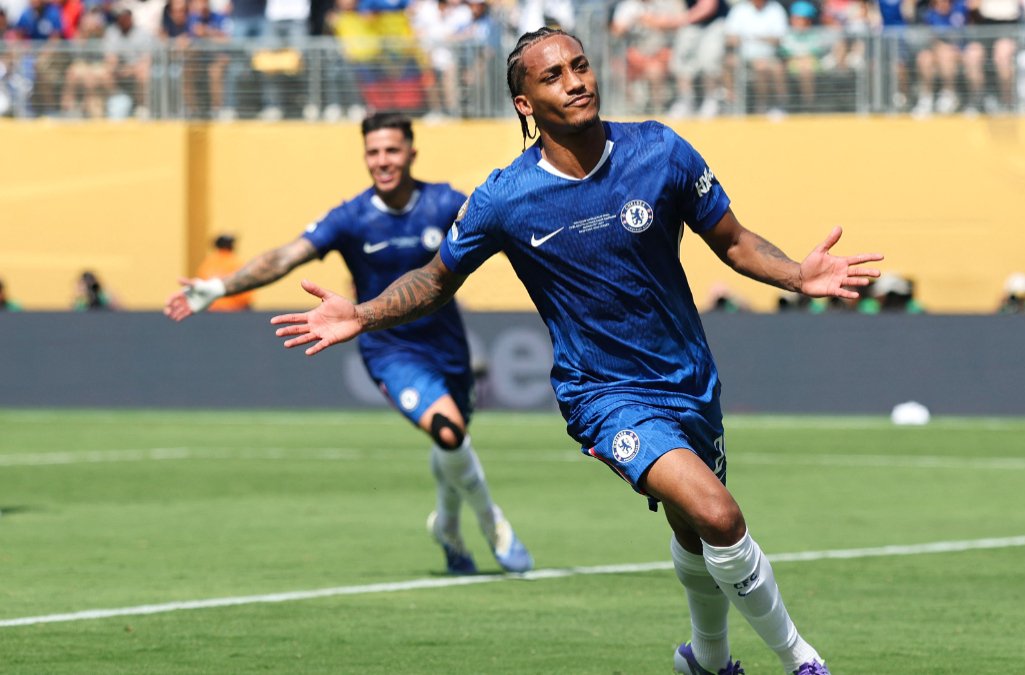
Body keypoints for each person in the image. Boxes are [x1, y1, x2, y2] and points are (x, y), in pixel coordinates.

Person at [271, 28, 884, 675]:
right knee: (719, 514)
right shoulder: (505, 197)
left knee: (691, 524)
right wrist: (362, 312)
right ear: (524, 103)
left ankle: (706, 658)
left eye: (581, 65)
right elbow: (434, 278)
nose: (577, 80)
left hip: (689, 378)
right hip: (603, 395)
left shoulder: (660, 150)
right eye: (554, 74)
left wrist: (797, 274)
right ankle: (802, 660)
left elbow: (730, 239)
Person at [164, 112, 533, 576]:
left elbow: (503, 233)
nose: (383, 161)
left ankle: (448, 528)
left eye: (392, 150)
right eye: (374, 152)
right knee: (448, 431)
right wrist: (219, 287)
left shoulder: (443, 203)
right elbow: (286, 255)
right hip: (390, 351)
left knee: (451, 441)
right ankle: (492, 523)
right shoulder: (352, 218)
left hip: (449, 346)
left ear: (411, 153)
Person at [195, 234, 254, 311]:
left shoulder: (208, 263)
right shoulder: (236, 262)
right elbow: (247, 291)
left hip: (212, 310)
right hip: (236, 310)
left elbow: (200, 287)